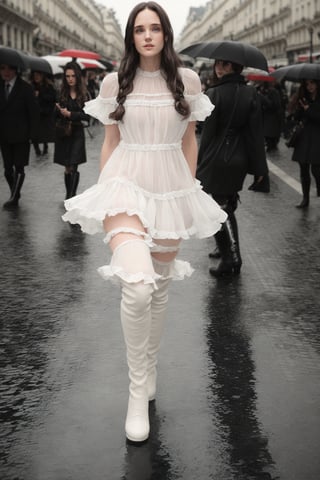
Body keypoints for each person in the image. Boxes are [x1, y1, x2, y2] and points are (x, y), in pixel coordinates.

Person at [62, 1, 227, 443]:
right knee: (136, 285)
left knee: (159, 288)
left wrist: (185, 189)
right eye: (140, 29)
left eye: (155, 28)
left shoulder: (187, 80)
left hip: (170, 186)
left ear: (165, 34)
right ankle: (138, 393)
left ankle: (150, 365)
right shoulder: (117, 81)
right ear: (131, 36)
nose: (148, 36)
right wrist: (105, 187)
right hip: (126, 184)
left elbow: (191, 140)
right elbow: (110, 141)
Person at [197, 58, 268, 277]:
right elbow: (256, 135)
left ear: (235, 67)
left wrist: (200, 163)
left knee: (217, 209)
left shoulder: (214, 93)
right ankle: (227, 250)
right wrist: (259, 170)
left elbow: (208, 134)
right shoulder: (251, 93)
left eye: (224, 65)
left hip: (218, 156)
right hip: (239, 158)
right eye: (218, 64)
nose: (219, 68)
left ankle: (231, 258)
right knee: (226, 204)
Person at [0, 63, 39, 209]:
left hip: (21, 135)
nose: (6, 72)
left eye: (9, 68)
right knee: (7, 170)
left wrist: (32, 135)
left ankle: (14, 197)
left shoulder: (25, 88)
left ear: (16, 70)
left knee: (19, 167)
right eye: (2, 68)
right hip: (4, 135)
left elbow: (34, 113)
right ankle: (14, 193)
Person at [53, 62, 90, 200]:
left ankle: (71, 196)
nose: (70, 79)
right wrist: (58, 110)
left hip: (77, 133)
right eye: (67, 76)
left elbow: (88, 116)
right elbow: (54, 117)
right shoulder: (61, 93)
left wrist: (71, 115)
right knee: (67, 167)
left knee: (74, 166)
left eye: (73, 76)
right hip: (64, 133)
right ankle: (68, 195)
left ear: (78, 76)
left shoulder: (84, 94)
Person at [287, 78, 320, 208]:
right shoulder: (303, 98)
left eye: (312, 83)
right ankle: (305, 198)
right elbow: (297, 117)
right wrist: (299, 108)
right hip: (304, 138)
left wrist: (308, 109)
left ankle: (319, 190)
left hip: (317, 138)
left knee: (317, 170)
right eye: (307, 84)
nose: (309, 86)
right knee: (303, 170)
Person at [30, 70, 57, 157]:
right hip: (34, 114)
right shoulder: (31, 86)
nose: (36, 77)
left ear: (42, 76)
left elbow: (53, 98)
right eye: (35, 75)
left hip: (45, 113)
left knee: (44, 132)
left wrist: (41, 94)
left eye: (38, 75)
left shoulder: (48, 86)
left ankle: (45, 146)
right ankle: (36, 149)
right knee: (35, 133)